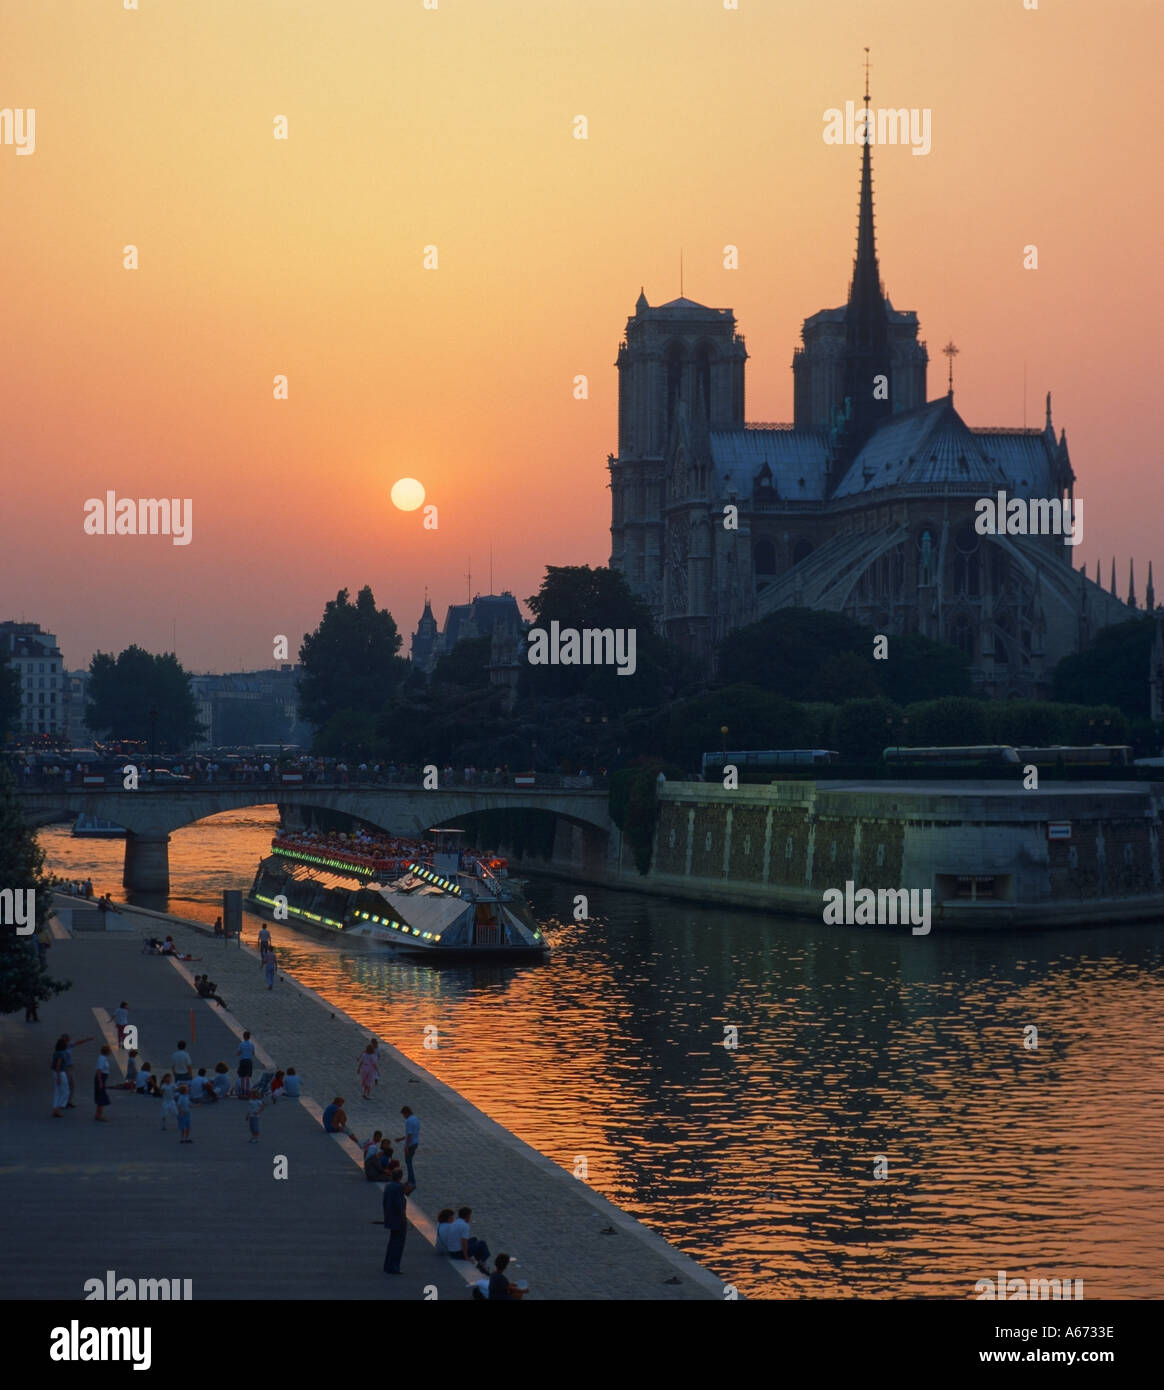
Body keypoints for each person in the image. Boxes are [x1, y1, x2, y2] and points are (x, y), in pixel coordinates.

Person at [436, 1207, 491, 1271]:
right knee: (482, 1243)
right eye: (470, 1216)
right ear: (467, 1216)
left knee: (474, 1239)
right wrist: (466, 1257)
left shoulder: (453, 1223)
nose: (470, 1218)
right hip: (457, 1254)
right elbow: (463, 1242)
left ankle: (479, 1261)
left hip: (450, 1250)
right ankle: (482, 1263)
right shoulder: (465, 1225)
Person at [382, 1167, 407, 1274]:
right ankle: (394, 1267)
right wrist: (404, 1219)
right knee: (398, 1244)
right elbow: (399, 1205)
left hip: (390, 1218)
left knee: (392, 1243)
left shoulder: (388, 1186)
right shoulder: (398, 1188)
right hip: (398, 1220)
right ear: (400, 1177)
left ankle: (388, 1265)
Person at [396, 1106, 419, 1188]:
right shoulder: (416, 1119)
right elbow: (413, 1133)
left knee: (409, 1163)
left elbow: (409, 1134)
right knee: (409, 1162)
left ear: (406, 1113)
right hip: (415, 1143)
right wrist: (401, 1138)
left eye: (403, 1115)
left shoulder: (408, 1121)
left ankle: (411, 1181)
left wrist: (406, 1147)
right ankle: (410, 1180)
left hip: (410, 1144)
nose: (403, 1117)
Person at [51, 1035, 70, 1117]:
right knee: (66, 1091)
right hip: (60, 1073)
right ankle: (58, 1108)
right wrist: (59, 1077)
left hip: (55, 1072)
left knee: (57, 1091)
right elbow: (59, 1065)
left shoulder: (56, 1052)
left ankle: (55, 1108)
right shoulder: (62, 1054)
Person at [94, 1045, 112, 1121]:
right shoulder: (102, 1059)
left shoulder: (103, 1058)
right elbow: (99, 1070)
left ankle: (97, 1115)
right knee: (101, 1096)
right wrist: (100, 1081)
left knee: (100, 1096)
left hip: (102, 1078)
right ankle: (99, 1116)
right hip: (101, 1078)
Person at [236, 1032, 255, 1097]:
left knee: (242, 1077)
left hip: (243, 1060)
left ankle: (242, 1091)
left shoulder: (241, 1044)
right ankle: (247, 1091)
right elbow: (253, 1053)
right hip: (249, 1061)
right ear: (249, 1037)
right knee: (247, 1077)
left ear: (244, 1037)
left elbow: (238, 1053)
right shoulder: (252, 1044)